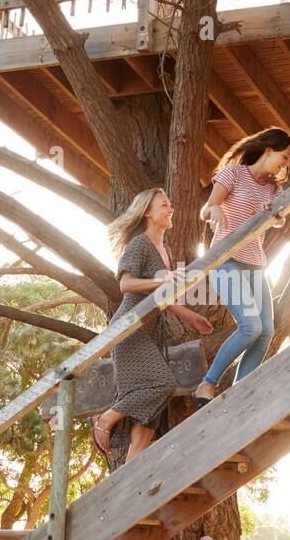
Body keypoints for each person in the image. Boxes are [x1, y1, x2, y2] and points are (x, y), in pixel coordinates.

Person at [91, 189, 214, 458]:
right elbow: (126, 284)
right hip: (130, 330)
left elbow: (162, 296)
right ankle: (106, 419)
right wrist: (164, 279)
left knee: (149, 413)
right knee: (161, 385)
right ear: (147, 211)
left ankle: (132, 470)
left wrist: (191, 316)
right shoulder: (140, 244)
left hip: (152, 332)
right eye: (164, 205)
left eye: (170, 205)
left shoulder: (165, 250)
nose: (170, 209)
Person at [193, 128, 290, 407]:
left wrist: (273, 216)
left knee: (266, 332)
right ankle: (207, 384)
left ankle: (240, 394)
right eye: (284, 157)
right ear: (269, 150)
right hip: (225, 259)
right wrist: (213, 210)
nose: (285, 164)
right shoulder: (234, 174)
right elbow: (208, 207)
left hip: (256, 264)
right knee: (249, 327)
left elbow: (279, 219)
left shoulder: (275, 188)